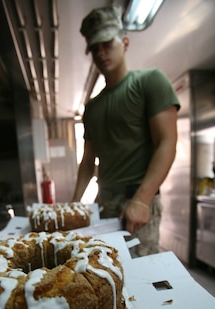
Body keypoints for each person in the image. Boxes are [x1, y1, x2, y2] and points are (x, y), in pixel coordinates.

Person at [72, 5, 180, 256]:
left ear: (125, 42)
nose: (100, 52)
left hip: (136, 199)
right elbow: (88, 161)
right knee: (105, 273)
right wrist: (73, 205)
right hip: (104, 201)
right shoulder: (92, 107)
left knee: (140, 277)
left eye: (106, 43)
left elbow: (167, 143)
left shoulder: (150, 82)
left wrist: (142, 199)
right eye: (94, 48)